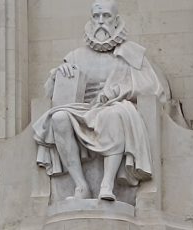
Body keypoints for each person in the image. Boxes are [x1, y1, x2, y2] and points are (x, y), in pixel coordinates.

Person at [32, 0, 178, 201]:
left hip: (112, 107)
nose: (101, 21)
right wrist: (57, 75)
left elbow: (154, 89)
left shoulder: (130, 54)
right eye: (96, 16)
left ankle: (107, 185)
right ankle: (81, 186)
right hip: (82, 109)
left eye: (106, 16)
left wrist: (118, 91)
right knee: (58, 118)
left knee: (115, 113)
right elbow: (49, 94)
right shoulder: (75, 56)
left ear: (116, 21)